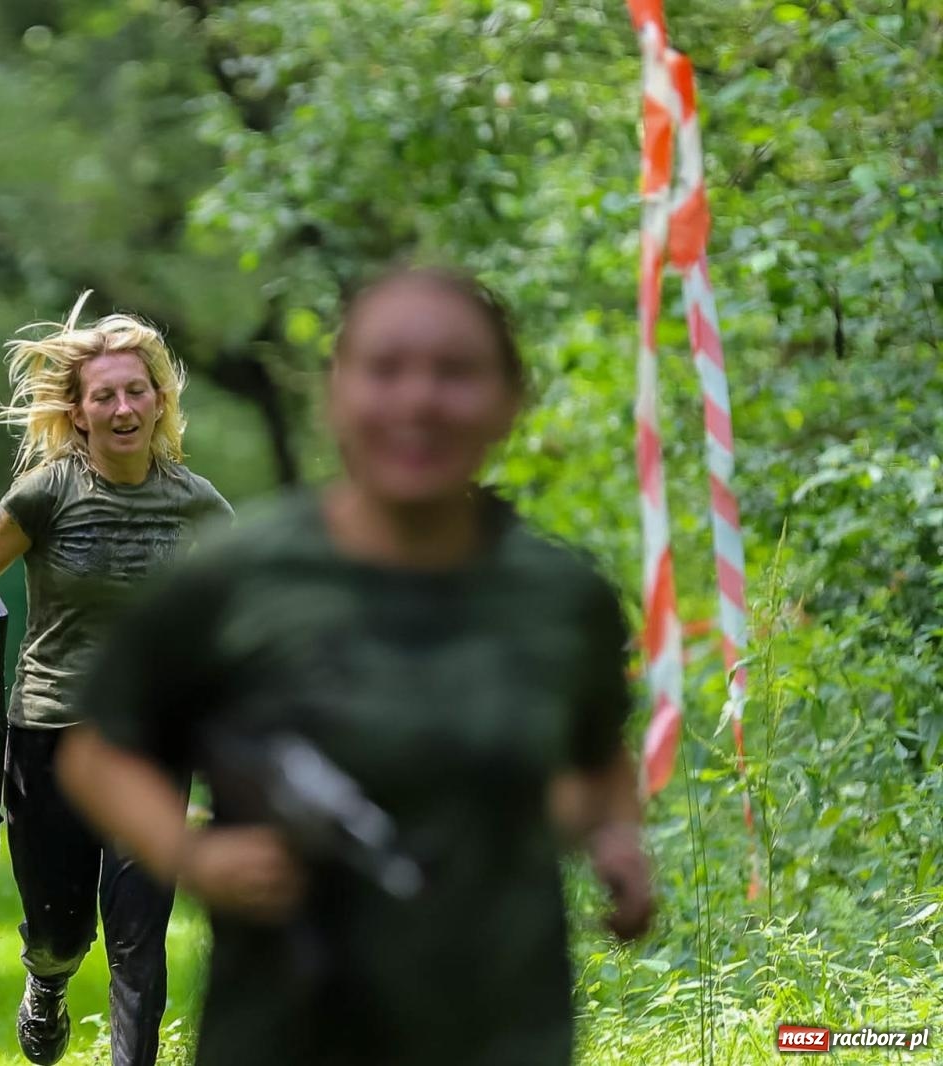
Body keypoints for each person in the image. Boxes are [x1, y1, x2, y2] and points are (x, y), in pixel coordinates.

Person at [56, 266, 654, 1065]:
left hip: (503, 1024)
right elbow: (99, 752)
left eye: (456, 373)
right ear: (336, 395)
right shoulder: (239, 579)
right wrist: (194, 855)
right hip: (287, 1028)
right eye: (385, 370)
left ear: (510, 400)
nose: (419, 402)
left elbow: (597, 755)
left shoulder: (560, 596)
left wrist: (615, 838)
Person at [0, 292, 233, 1066]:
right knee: (60, 929)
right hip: (49, 732)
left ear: (158, 400)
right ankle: (47, 979)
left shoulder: (194, 502)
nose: (121, 407)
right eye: (103, 394)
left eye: (135, 390)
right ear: (77, 411)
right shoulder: (47, 494)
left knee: (140, 935)